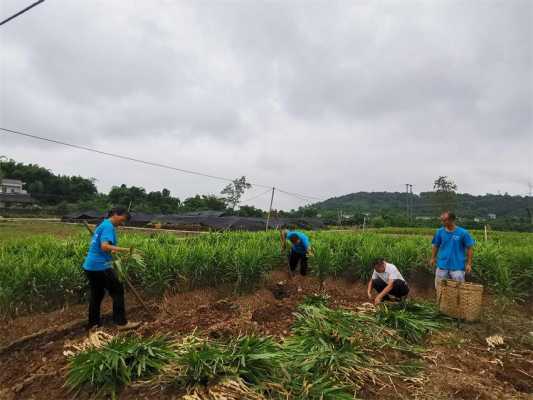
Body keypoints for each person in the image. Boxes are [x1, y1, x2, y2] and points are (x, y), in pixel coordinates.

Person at [82, 207, 138, 330]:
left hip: (90, 266)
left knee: (97, 295)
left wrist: (118, 257)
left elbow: (103, 248)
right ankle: (121, 323)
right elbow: (105, 246)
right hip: (100, 266)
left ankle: (93, 324)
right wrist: (127, 250)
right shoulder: (108, 226)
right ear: (116, 215)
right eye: (122, 220)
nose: (122, 223)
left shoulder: (103, 224)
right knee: (118, 291)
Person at [431, 211, 475, 290]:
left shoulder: (463, 233)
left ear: (452, 220)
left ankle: (457, 302)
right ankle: (441, 302)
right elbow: (435, 245)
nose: (442, 222)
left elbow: (469, 248)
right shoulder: (439, 232)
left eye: (444, 220)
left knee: (459, 289)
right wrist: (433, 258)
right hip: (442, 265)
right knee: (440, 288)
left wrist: (469, 264)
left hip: (457, 266)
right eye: (442, 220)